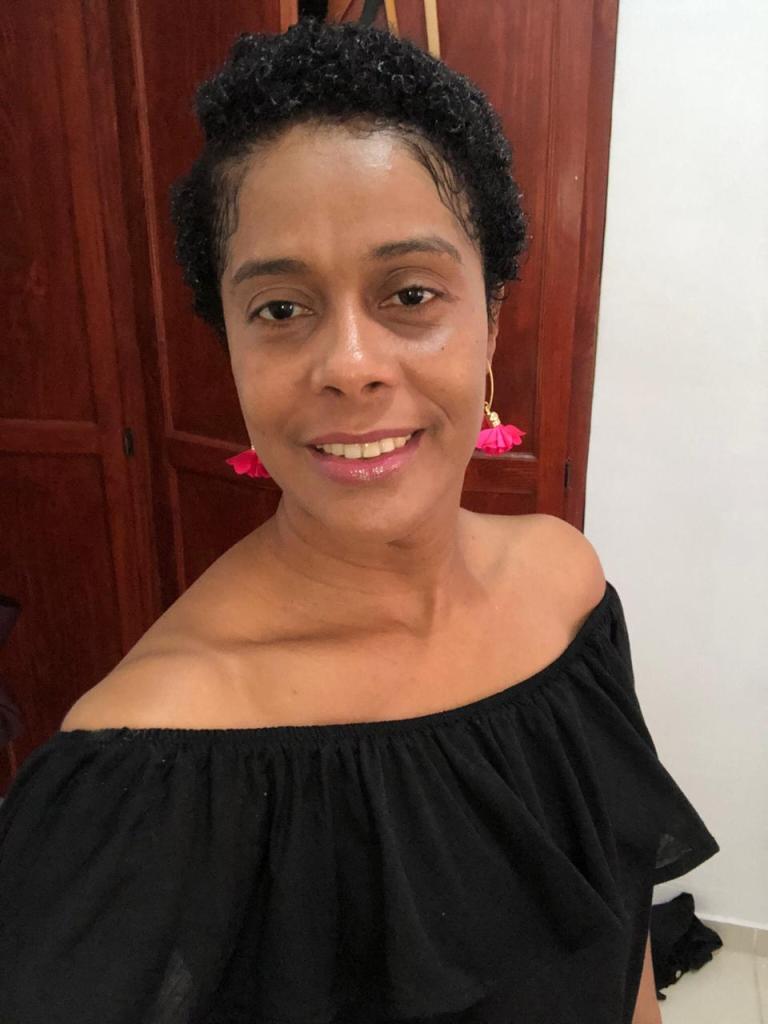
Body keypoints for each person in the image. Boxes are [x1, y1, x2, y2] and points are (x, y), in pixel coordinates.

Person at [0, 17, 718, 1024]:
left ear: (492, 320)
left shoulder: (566, 589)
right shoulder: (143, 760)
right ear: (231, 347)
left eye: (410, 293)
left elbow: (622, 922)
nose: (348, 365)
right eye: (280, 309)